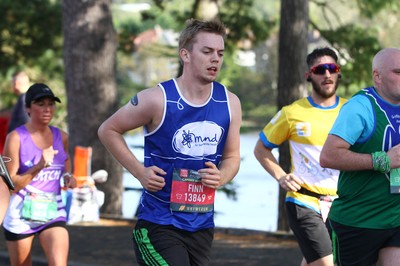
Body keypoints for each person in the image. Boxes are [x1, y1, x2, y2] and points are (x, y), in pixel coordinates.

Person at [98, 18, 242, 265]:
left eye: (220, 53)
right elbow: (108, 130)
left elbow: (231, 157)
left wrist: (222, 176)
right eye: (207, 51)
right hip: (158, 225)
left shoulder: (230, 103)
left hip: (202, 226)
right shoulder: (157, 99)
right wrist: (139, 172)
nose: (215, 59)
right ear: (185, 54)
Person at [254, 47, 347, 266]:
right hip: (304, 201)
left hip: (342, 204)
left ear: (338, 73)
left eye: (332, 68)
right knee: (326, 263)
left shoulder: (351, 110)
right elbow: (261, 148)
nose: (327, 74)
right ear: (309, 75)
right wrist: (281, 176)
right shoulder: (292, 112)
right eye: (320, 69)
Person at [320, 47, 400, 266]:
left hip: (395, 219)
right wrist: (382, 160)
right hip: (358, 221)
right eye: (398, 72)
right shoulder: (360, 107)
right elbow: (328, 156)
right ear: (378, 76)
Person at [2, 83, 76, 266]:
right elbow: (9, 186)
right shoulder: (15, 138)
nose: (47, 109)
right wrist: (39, 166)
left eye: (51, 103)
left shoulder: (62, 137)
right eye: (40, 104)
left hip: (52, 212)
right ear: (28, 108)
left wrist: (68, 178)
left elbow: (66, 164)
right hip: (21, 215)